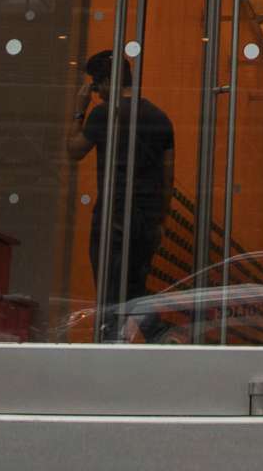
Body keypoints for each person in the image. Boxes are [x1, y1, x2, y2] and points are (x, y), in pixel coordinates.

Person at [68, 48, 175, 339]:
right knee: (135, 288)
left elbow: (74, 150)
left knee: (111, 293)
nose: (96, 92)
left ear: (103, 82)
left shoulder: (105, 114)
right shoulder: (160, 118)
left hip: (113, 216)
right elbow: (168, 178)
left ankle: (112, 347)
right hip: (147, 221)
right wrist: (160, 221)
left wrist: (80, 108)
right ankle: (160, 335)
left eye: (95, 85)